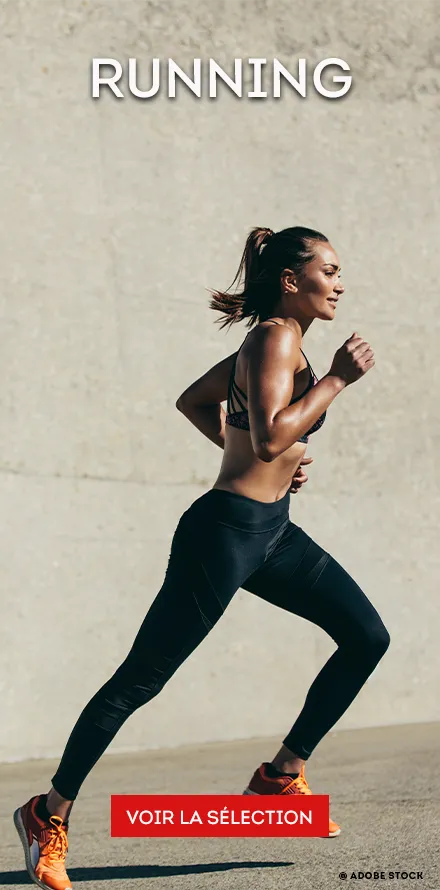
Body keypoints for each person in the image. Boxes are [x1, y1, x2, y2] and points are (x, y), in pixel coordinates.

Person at [14, 226, 390, 890]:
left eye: (339, 272)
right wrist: (335, 381)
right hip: (224, 536)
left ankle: (280, 776)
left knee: (365, 636)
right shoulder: (275, 337)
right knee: (140, 680)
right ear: (290, 280)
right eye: (328, 271)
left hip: (272, 531)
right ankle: (48, 813)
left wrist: (252, 455)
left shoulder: (280, 342)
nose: (340, 283)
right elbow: (274, 435)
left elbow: (202, 405)